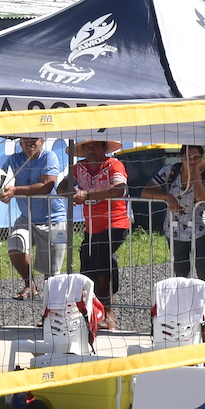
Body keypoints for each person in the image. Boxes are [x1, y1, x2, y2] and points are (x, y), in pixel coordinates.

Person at [60, 137, 129, 329]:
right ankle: (94, 312)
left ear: (104, 148)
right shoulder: (78, 167)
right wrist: (71, 192)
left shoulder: (114, 164)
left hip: (116, 222)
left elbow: (119, 188)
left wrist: (87, 195)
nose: (90, 150)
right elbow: (61, 186)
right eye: (87, 147)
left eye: (94, 146)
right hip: (92, 225)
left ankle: (109, 314)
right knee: (87, 266)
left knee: (103, 262)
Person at [2, 136, 66, 299]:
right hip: (26, 218)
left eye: (34, 139)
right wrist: (0, 191)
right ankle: (30, 285)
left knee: (52, 271)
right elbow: (1, 182)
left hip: (55, 220)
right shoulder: (14, 159)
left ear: (42, 140)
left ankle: (51, 312)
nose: (30, 143)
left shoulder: (50, 156)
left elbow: (47, 186)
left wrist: (15, 190)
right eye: (26, 139)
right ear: (20, 142)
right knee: (14, 245)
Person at [145, 145, 205, 284]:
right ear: (182, 157)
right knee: (181, 272)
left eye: (197, 158)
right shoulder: (172, 170)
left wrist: (197, 174)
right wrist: (167, 197)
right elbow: (146, 191)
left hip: (200, 228)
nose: (192, 161)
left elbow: (201, 196)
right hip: (174, 228)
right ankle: (184, 302)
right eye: (188, 158)